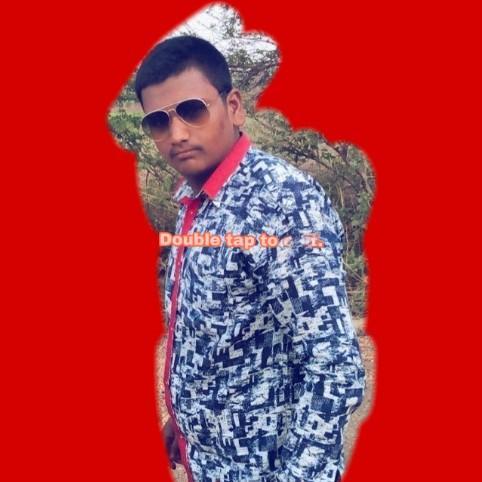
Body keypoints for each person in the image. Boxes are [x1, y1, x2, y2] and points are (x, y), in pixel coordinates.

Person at [134, 35, 365, 482]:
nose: (177, 134)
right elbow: (216, 338)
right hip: (211, 460)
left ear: (234, 107)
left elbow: (334, 369)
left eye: (192, 110)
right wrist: (185, 422)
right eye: (159, 121)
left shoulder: (283, 202)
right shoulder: (195, 198)